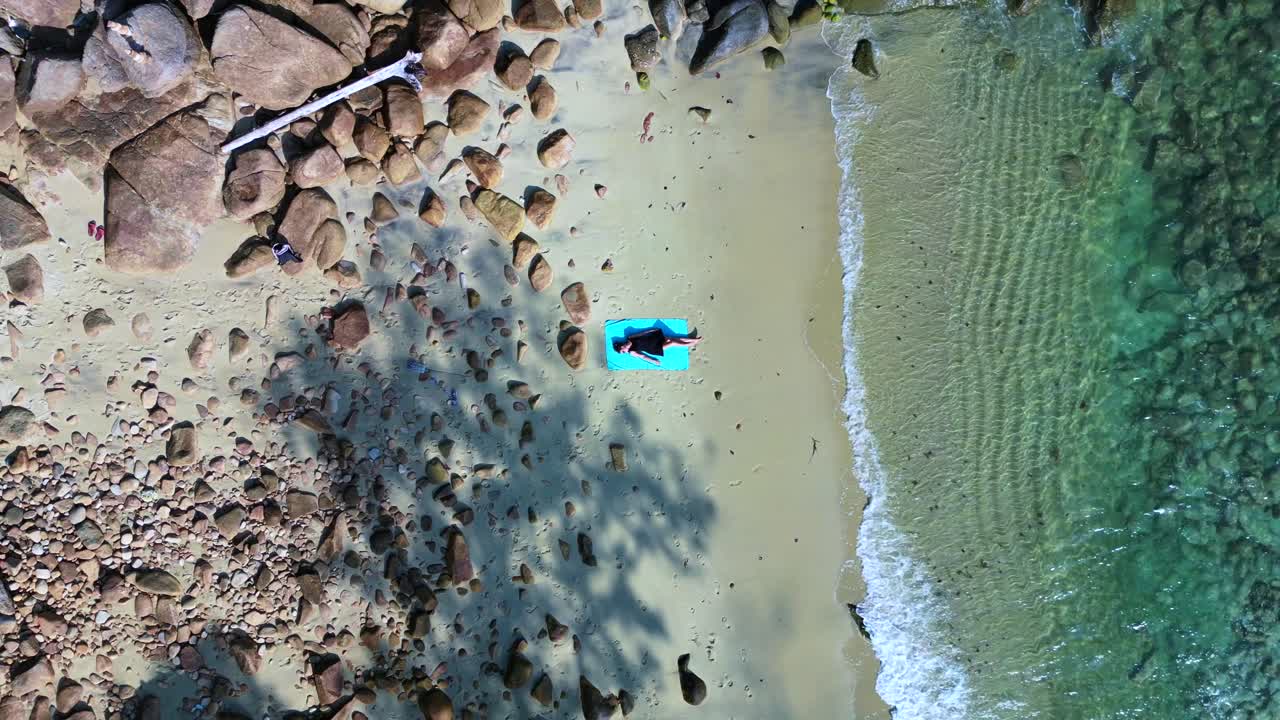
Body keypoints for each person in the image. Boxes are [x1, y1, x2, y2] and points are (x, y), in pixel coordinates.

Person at [614, 327, 703, 366]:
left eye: (622, 351)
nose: (624, 352)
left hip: (654, 339)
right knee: (672, 343)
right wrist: (654, 361)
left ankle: (693, 340)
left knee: (672, 338)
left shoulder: (630, 337)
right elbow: (643, 356)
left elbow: (642, 333)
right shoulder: (631, 352)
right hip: (654, 348)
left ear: (622, 347)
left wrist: (652, 330)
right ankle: (690, 344)